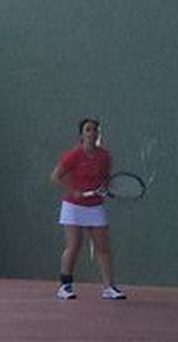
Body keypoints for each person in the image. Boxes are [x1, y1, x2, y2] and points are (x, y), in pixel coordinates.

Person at [51, 118, 126, 301]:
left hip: (94, 206)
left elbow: (107, 179)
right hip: (73, 206)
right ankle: (65, 286)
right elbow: (55, 177)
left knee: (103, 248)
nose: (92, 133)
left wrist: (105, 188)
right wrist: (73, 191)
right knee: (74, 245)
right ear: (81, 134)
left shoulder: (105, 157)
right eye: (88, 130)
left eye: (94, 130)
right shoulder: (73, 155)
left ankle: (109, 288)